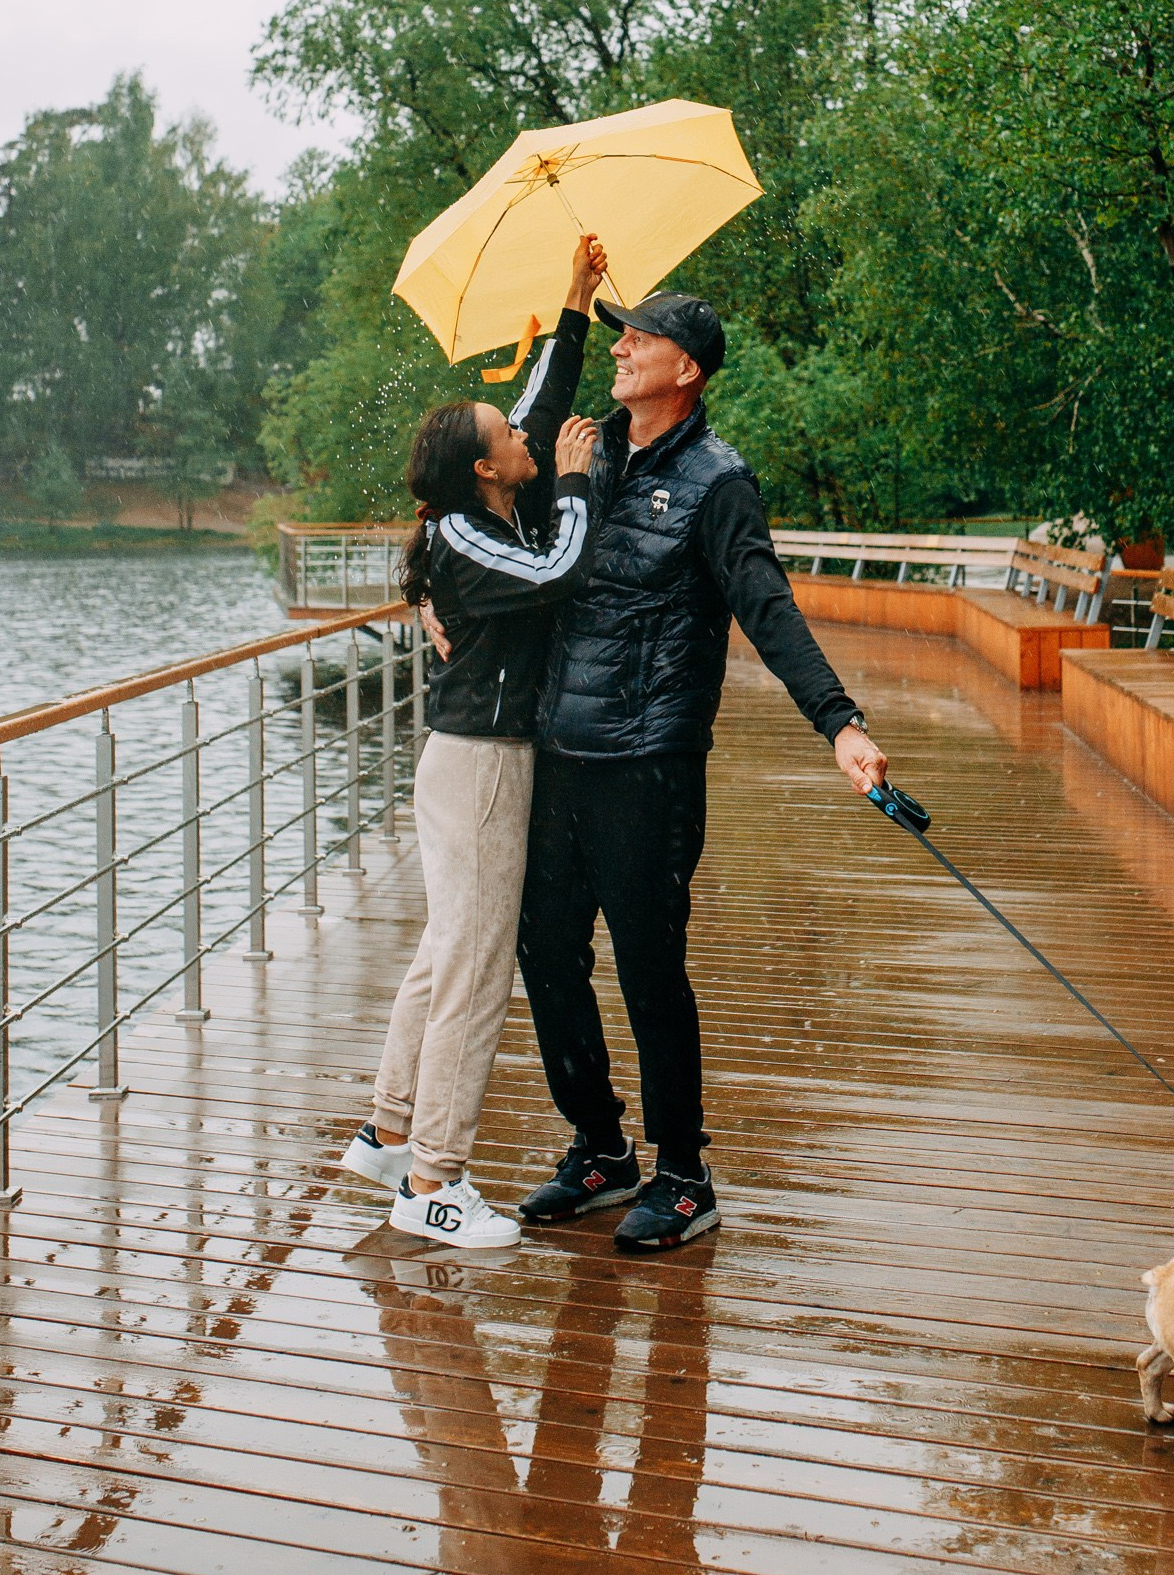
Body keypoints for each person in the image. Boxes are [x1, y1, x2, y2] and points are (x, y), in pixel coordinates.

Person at [514, 288, 889, 1251]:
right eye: (619, 334)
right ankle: (601, 1150)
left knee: (649, 972)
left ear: (687, 369)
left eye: (641, 337)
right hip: (558, 749)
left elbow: (767, 606)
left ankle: (683, 1175)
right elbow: (509, 496)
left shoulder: (720, 482)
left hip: (649, 760)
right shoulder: (583, 454)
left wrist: (839, 722)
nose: (623, 347)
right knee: (545, 956)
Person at [339, 232, 607, 1250]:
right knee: (475, 971)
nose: (532, 437)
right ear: (488, 467)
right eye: (513, 437)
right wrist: (577, 483)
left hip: (467, 763)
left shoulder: (479, 506)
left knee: (444, 951)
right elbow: (558, 575)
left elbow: (535, 401)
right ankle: (434, 1182)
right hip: (484, 767)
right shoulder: (472, 533)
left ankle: (388, 1129)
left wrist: (573, 299)